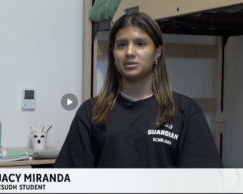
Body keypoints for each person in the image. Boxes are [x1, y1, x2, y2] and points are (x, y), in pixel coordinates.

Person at [55, 12, 224, 168]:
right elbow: (69, 178)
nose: (129, 52)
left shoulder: (185, 112)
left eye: (140, 44)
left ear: (157, 52)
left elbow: (204, 179)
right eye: (121, 45)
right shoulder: (90, 112)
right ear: (113, 53)